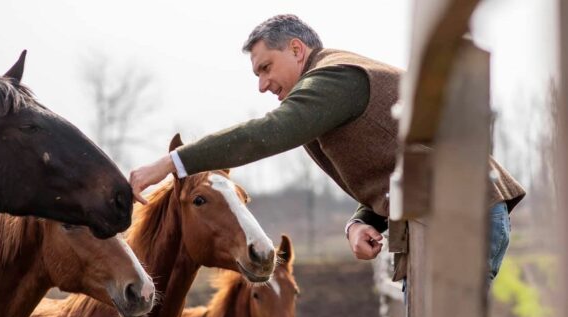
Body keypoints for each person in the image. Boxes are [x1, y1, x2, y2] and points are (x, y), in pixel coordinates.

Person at [129, 14, 525, 284]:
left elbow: (265, 134)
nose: (262, 85)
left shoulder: (333, 78)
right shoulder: (324, 95)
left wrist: (170, 163)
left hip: (462, 216)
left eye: (266, 68)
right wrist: (358, 222)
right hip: (445, 216)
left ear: (298, 50)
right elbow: (395, 166)